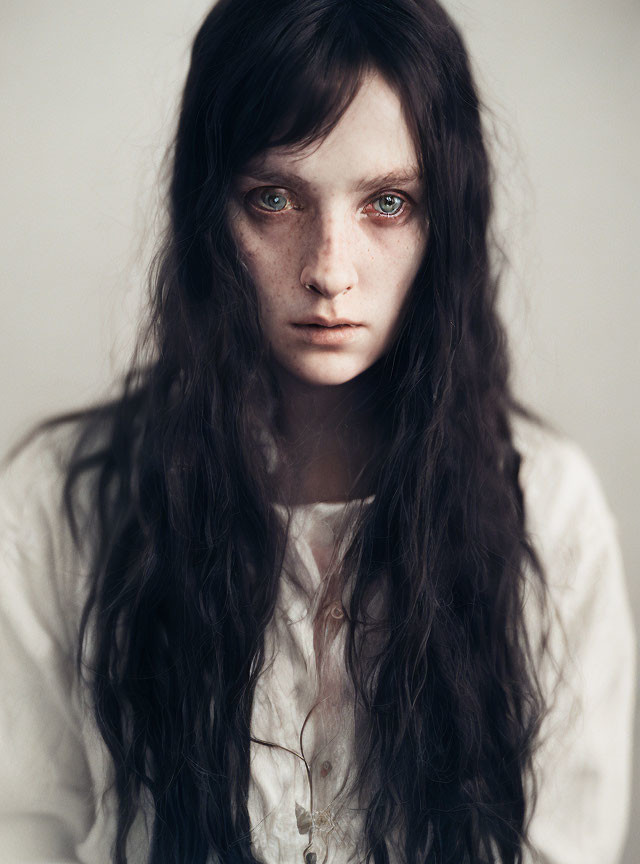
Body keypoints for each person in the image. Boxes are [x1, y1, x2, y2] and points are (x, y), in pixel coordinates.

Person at [0, 0, 635, 862]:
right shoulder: (59, 503)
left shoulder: (547, 511)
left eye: (386, 202)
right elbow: (23, 827)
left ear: (443, 219)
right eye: (274, 198)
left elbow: (569, 842)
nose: (329, 269)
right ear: (207, 215)